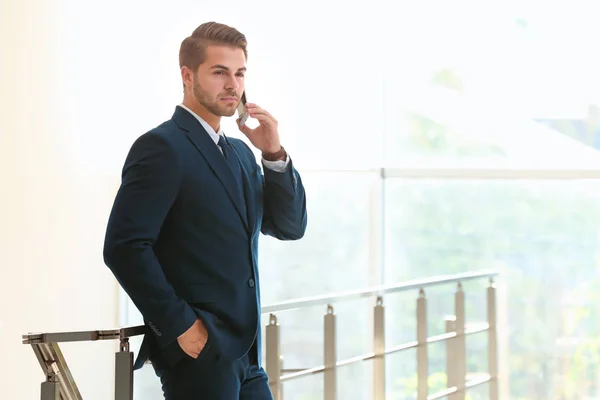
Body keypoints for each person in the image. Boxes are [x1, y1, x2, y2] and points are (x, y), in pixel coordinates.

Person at [103, 21, 307, 399]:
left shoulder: (243, 154)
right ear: (187, 75)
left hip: (247, 354)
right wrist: (182, 326)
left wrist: (274, 154)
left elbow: (289, 226)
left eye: (240, 73)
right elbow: (124, 247)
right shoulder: (161, 147)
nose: (233, 84)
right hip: (200, 353)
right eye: (219, 72)